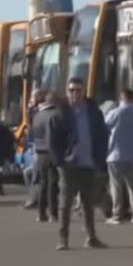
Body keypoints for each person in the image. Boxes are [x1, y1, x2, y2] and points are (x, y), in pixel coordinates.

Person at [50, 77, 108, 251]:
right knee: (65, 203)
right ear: (66, 93)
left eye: (78, 90)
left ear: (84, 92)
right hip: (69, 165)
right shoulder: (60, 113)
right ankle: (63, 238)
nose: (74, 93)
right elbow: (53, 141)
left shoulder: (94, 112)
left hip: (88, 163)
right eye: (71, 90)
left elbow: (102, 136)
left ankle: (91, 237)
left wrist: (100, 158)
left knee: (88, 202)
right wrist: (60, 161)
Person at [104, 89, 133, 225]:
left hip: (115, 154)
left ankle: (117, 215)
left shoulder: (114, 113)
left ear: (121, 98)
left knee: (116, 186)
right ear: (132, 98)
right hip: (132, 155)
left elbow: (105, 128)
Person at [31, 91, 60, 223]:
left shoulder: (37, 116)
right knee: (52, 184)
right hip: (51, 152)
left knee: (42, 183)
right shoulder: (53, 116)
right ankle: (53, 213)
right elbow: (51, 137)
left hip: (39, 152)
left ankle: (41, 213)